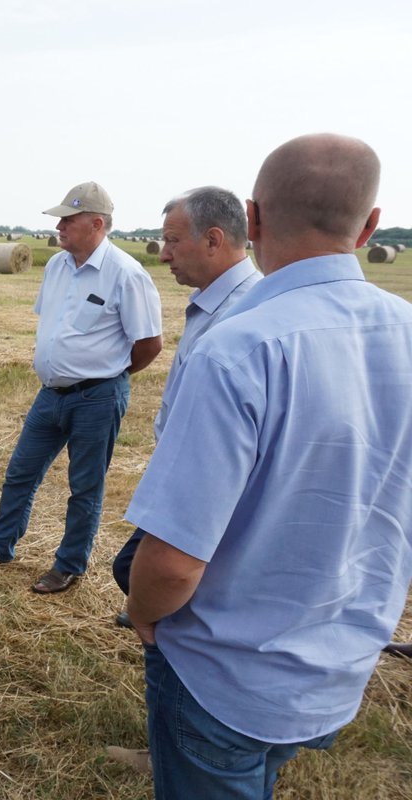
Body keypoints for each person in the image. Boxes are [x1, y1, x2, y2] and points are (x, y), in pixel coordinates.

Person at [125, 134, 412, 799]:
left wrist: (144, 610)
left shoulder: (237, 349)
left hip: (224, 677)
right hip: (339, 662)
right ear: (370, 226)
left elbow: (173, 562)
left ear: (251, 221)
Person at [104, 186, 261, 774]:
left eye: (172, 240)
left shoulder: (244, 316)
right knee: (138, 575)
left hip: (209, 498)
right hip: (189, 481)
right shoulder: (215, 304)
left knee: (168, 605)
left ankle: (178, 745)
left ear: (214, 241)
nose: (163, 252)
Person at [0, 182, 162, 595]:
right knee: (20, 472)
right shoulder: (56, 267)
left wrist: (108, 377)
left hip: (99, 398)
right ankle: (0, 547)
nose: (60, 226)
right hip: (49, 394)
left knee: (84, 486)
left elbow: (150, 344)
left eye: (68, 219)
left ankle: (69, 565)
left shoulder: (126, 274)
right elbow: (51, 326)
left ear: (97, 224)